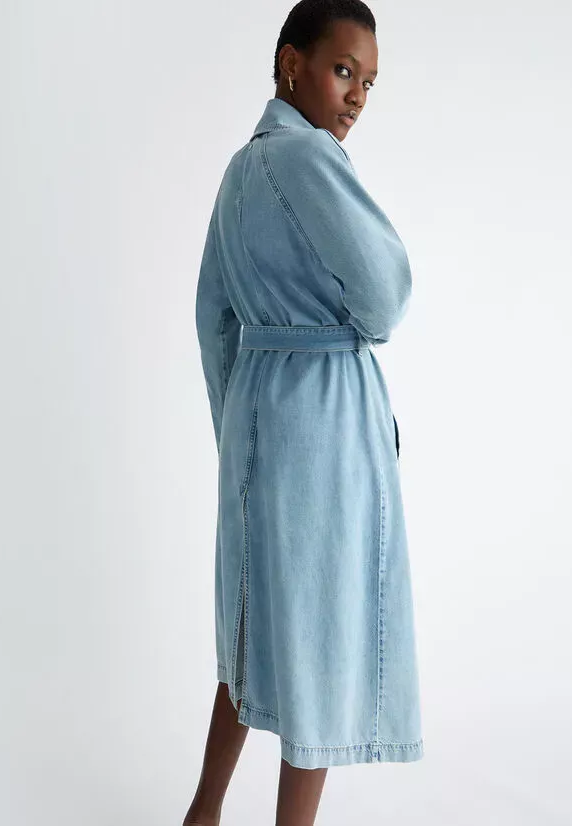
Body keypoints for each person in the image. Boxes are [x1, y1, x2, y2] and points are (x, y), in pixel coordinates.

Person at [186, 2, 424, 824]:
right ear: (292, 64)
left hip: (258, 416)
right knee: (321, 642)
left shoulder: (240, 168)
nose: (356, 95)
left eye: (369, 82)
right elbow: (385, 297)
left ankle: (203, 813)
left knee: (253, 628)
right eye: (343, 69)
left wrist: (238, 432)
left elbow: (213, 316)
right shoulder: (310, 157)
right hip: (323, 419)